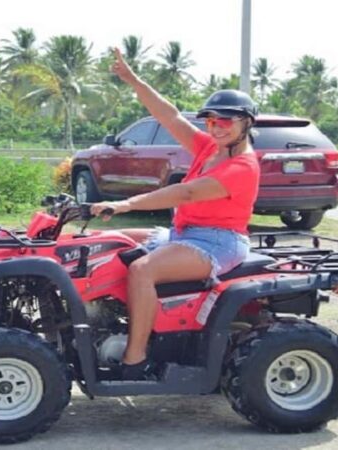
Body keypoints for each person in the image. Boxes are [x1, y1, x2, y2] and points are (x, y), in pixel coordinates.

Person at [90, 49, 261, 380]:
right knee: (107, 242)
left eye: (225, 121)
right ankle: (105, 323)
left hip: (218, 243)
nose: (217, 127)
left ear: (246, 123)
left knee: (141, 270)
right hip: (183, 233)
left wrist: (127, 205)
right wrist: (132, 79)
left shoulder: (242, 166)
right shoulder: (211, 147)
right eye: (211, 121)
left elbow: (186, 193)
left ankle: (134, 359)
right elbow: (168, 116)